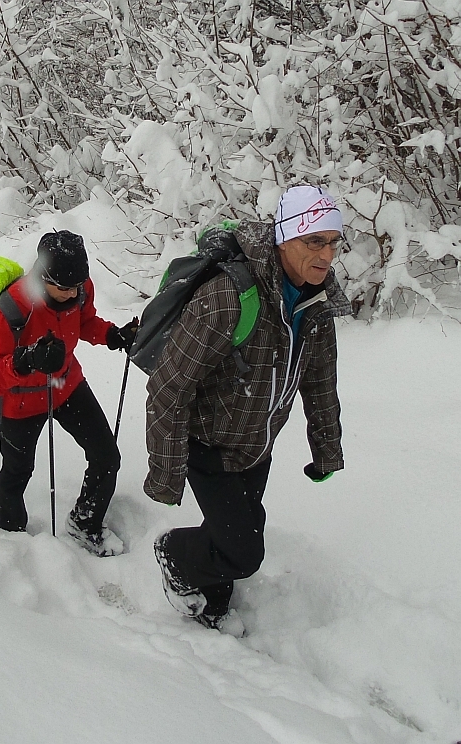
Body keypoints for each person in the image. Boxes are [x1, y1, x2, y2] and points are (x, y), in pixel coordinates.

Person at [146, 185, 351, 632]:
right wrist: (165, 472)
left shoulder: (315, 303)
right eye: (314, 241)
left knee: (239, 530)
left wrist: (326, 449)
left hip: (257, 445)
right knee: (243, 550)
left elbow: (320, 381)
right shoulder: (229, 294)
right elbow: (170, 385)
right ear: (285, 239)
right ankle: (174, 556)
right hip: (208, 443)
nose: (327, 255)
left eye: (333, 242)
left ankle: (214, 605)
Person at [0, 230, 138, 555]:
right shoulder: (14, 306)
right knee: (17, 471)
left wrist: (112, 335)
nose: (72, 293)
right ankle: (11, 535)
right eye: (64, 288)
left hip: (65, 385)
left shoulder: (79, 288)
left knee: (107, 457)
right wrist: (26, 360)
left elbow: (85, 321)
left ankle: (85, 523)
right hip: (19, 403)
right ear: (43, 276)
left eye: (77, 286)